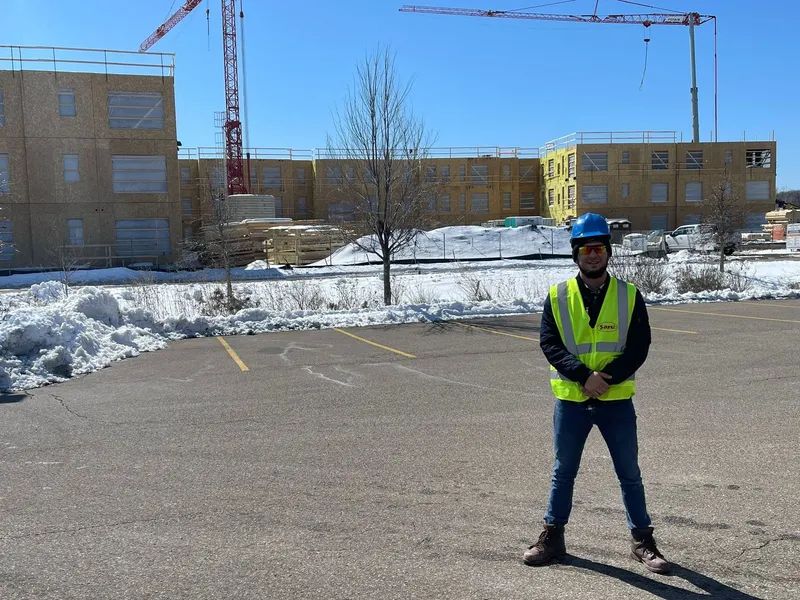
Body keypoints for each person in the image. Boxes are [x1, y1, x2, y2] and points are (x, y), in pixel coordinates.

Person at [523, 212, 671, 574]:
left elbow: (639, 346)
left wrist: (605, 378)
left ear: (608, 252)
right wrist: (582, 376)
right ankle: (553, 536)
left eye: (599, 248)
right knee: (563, 472)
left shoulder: (629, 295)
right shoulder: (558, 296)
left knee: (629, 473)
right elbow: (550, 343)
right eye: (586, 248)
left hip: (615, 401)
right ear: (576, 253)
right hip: (572, 402)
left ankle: (642, 540)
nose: (593, 254)